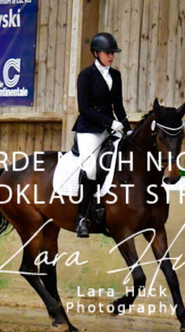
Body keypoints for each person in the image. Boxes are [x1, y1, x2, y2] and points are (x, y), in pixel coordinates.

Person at [72, 32, 131, 238]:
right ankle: (82, 218)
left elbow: (118, 106)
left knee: (124, 160)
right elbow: (84, 109)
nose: (111, 56)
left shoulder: (116, 75)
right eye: (108, 53)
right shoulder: (86, 76)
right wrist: (110, 122)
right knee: (90, 168)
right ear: (96, 53)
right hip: (89, 129)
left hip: (110, 129)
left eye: (113, 53)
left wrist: (128, 129)